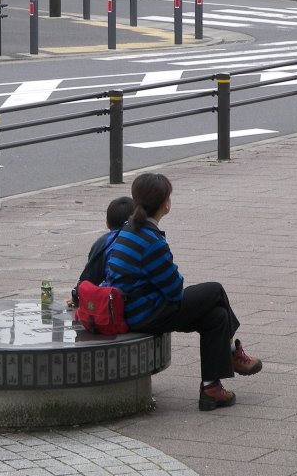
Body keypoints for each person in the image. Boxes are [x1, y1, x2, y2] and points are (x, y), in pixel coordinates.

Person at [103, 172, 262, 411]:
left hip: (135, 309)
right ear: (165, 204)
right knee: (215, 291)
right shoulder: (150, 240)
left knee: (216, 316)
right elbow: (175, 291)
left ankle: (211, 389)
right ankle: (231, 352)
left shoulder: (129, 229)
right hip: (144, 314)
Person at [68, 196, 134, 307]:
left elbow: (89, 278)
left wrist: (76, 296)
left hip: (114, 302)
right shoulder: (145, 238)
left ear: (107, 223)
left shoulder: (104, 242)